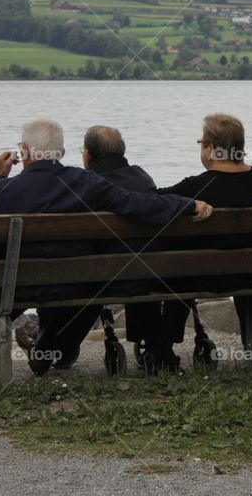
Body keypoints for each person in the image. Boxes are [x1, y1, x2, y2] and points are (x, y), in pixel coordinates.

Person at [0, 118, 213, 376]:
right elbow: (138, 203)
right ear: (60, 153)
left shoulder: (3, 190)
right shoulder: (86, 182)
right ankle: (48, 348)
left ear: (24, 151)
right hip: (75, 284)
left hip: (16, 289)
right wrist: (186, 204)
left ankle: (26, 347)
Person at [156, 113, 252, 360]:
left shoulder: (194, 187)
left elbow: (152, 200)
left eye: (202, 143)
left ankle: (163, 351)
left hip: (200, 277)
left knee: (177, 270)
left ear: (211, 148)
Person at [80, 125, 168, 370]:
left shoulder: (88, 185)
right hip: (150, 275)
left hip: (101, 278)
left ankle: (56, 348)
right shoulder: (142, 177)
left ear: (88, 154)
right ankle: (154, 347)